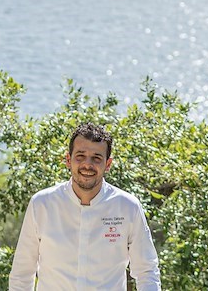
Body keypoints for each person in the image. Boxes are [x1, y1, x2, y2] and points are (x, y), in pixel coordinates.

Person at [9, 122, 161, 290]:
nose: (87, 164)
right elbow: (22, 273)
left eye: (96, 158)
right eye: (80, 156)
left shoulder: (128, 207)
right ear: (68, 159)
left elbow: (147, 271)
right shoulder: (42, 204)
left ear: (108, 164)